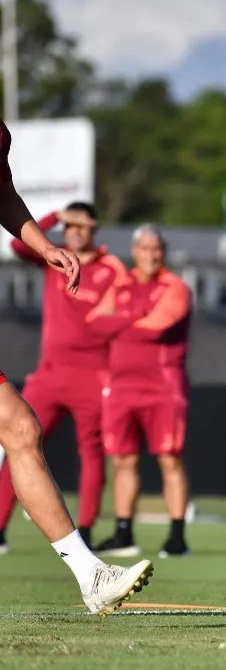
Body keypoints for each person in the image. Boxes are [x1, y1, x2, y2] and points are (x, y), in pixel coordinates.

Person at [0, 119, 153, 615]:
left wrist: (44, 245)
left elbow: (2, 191)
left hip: (93, 374)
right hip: (55, 369)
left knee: (21, 430)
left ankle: (92, 574)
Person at [0, 201, 127, 553]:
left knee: (91, 453)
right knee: (18, 444)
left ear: (94, 230)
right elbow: (14, 243)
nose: (75, 232)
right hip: (50, 373)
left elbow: (125, 312)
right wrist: (56, 218)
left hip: (94, 374)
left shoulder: (111, 268)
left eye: (82, 226)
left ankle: (83, 531)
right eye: (70, 227)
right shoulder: (52, 259)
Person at [88, 225, 193, 559]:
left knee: (168, 457)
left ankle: (177, 537)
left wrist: (118, 321)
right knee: (123, 460)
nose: (151, 254)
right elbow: (93, 322)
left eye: (157, 248)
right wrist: (132, 318)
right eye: (145, 248)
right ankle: (123, 533)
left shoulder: (174, 286)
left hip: (163, 384)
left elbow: (157, 326)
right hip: (120, 385)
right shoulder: (120, 284)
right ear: (135, 250)